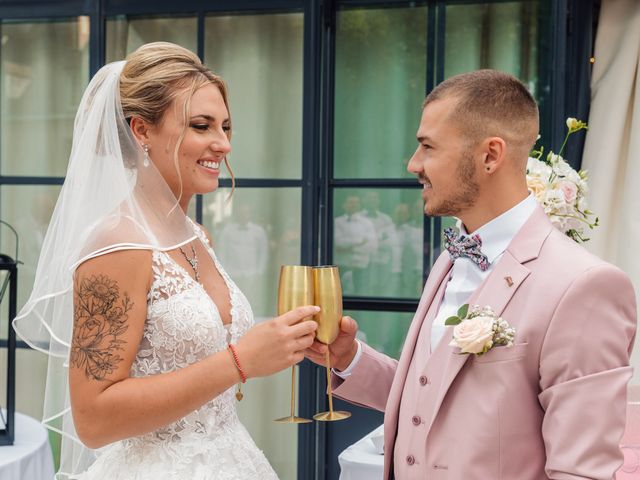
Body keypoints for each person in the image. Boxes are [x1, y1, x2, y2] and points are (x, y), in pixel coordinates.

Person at [306, 70, 637, 479]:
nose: (413, 164)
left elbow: (581, 471)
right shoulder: (450, 259)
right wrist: (349, 358)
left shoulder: (584, 285)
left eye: (427, 146)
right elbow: (435, 394)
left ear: (490, 155)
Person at [13, 42, 318, 479]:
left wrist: (281, 342)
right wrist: (239, 361)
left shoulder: (198, 236)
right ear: (141, 130)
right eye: (201, 125)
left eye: (226, 127)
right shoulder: (117, 246)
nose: (223, 144)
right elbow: (94, 420)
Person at [334, 195, 378, 295]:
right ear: (344, 205)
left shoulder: (367, 223)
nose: (353, 205)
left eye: (356, 203)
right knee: (340, 295)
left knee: (361, 294)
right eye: (350, 202)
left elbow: (372, 245)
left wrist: (348, 247)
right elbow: (338, 243)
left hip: (361, 267)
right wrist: (360, 242)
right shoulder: (337, 222)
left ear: (359, 205)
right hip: (342, 266)